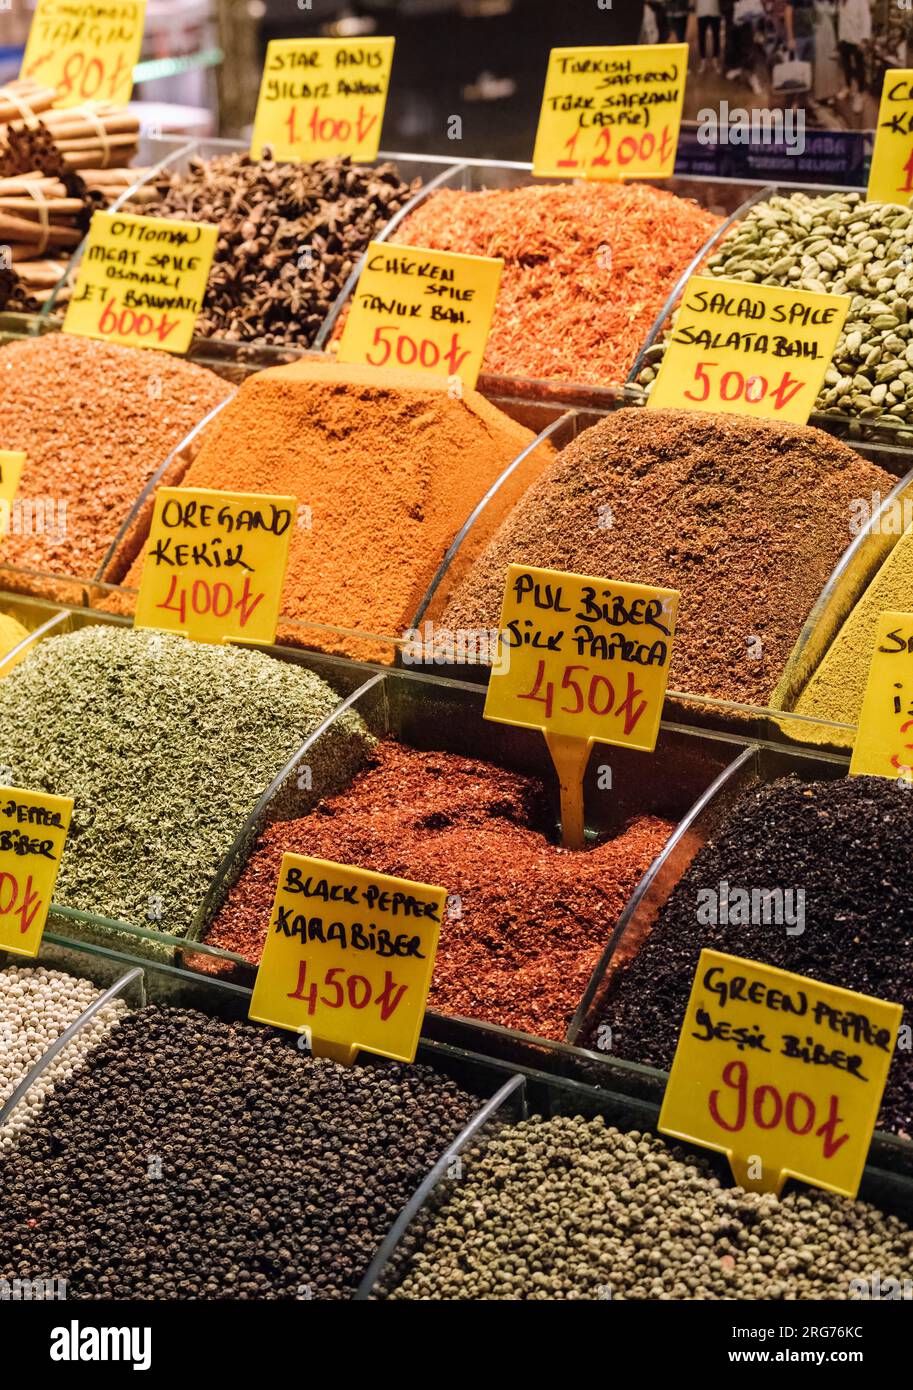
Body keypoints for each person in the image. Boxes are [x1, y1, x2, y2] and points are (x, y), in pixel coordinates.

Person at [837, 0, 871, 112]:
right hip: (844, 38)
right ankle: (847, 87)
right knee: (846, 65)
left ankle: (860, 94)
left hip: (857, 40)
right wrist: (840, 39)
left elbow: (866, 19)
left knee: (859, 67)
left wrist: (864, 39)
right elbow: (841, 20)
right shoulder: (841, 2)